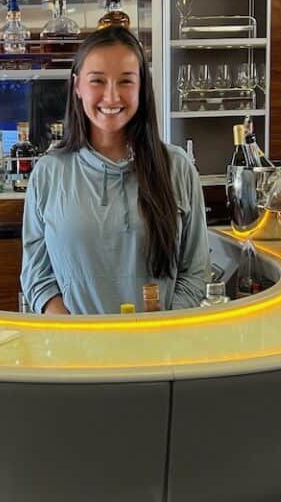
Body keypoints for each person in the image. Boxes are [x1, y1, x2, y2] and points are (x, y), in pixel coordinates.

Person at [21, 26, 210, 315]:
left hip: (158, 350)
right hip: (77, 352)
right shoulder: (48, 173)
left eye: (125, 82)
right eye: (97, 81)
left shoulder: (177, 167)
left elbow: (196, 273)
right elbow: (37, 275)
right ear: (77, 86)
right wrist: (74, 333)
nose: (111, 97)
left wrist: (160, 332)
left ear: (142, 87)